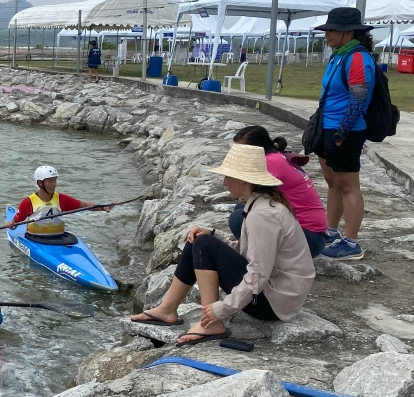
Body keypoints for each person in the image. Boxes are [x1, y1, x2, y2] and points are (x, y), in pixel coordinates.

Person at [129, 144, 315, 347]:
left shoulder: (262, 215)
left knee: (204, 244)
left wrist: (222, 309)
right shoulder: (261, 204)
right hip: (276, 294)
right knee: (199, 240)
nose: (225, 182)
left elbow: (258, 274)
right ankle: (167, 309)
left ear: (243, 180)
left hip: (273, 303)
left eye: (228, 176)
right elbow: (250, 251)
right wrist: (215, 235)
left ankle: (211, 323)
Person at [311, 7, 376, 260]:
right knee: (332, 181)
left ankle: (351, 242)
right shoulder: (338, 54)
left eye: (332, 30)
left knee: (349, 185)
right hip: (327, 127)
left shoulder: (357, 58)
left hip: (344, 130)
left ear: (348, 32)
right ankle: (331, 231)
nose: (327, 34)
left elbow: (358, 98)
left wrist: (342, 132)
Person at [229, 126, 329, 258]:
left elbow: (247, 194)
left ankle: (263, 258)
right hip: (315, 234)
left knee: (238, 219)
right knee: (242, 208)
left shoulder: (269, 163)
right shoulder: (276, 156)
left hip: (309, 239)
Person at [4, 166, 113, 240]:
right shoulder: (28, 202)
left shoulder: (62, 199)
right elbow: (15, 222)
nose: (54, 184)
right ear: (40, 183)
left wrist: (103, 208)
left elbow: (84, 206)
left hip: (59, 238)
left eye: (55, 180)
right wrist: (11, 223)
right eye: (50, 181)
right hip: (36, 239)